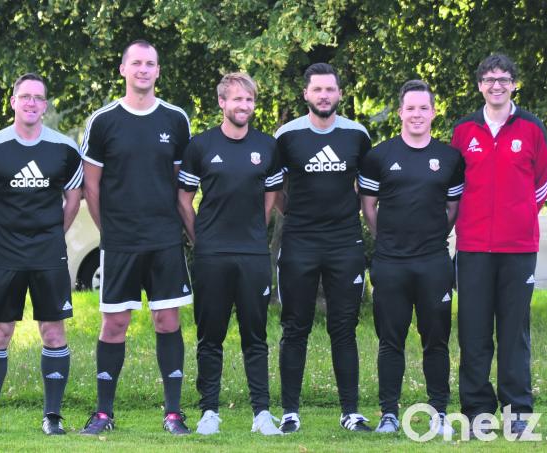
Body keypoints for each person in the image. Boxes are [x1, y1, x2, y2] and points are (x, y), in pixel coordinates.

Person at [80, 39, 193, 435]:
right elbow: (90, 187)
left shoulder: (176, 119)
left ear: (158, 71)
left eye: (150, 64)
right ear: (123, 69)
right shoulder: (104, 120)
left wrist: (187, 230)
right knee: (114, 325)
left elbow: (183, 185)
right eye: (136, 63)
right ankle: (104, 414)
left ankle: (174, 414)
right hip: (121, 241)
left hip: (164, 239)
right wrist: (108, 231)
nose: (143, 70)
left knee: (167, 320)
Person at [0, 73, 83, 436]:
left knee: (52, 331)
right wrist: (0, 237)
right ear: (13, 101)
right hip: (6, 254)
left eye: (38, 98)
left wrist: (50, 236)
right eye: (25, 96)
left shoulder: (64, 149)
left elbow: (74, 200)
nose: (31, 103)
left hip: (49, 254)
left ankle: (52, 416)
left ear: (45, 105)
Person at [451, 54, 547, 435]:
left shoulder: (530, 127)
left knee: (514, 333)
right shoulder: (464, 131)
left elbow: (543, 178)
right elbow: (454, 184)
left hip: (518, 249)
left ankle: (517, 412)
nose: (497, 84)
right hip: (474, 247)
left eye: (504, 79)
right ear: (479, 84)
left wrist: (522, 213)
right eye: (490, 78)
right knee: (473, 333)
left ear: (514, 84)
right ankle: (477, 412)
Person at [178, 73, 284, 436]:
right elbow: (183, 199)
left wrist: (257, 229)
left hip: (253, 254)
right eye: (237, 100)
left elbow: (271, 198)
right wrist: (200, 238)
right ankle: (209, 412)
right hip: (211, 255)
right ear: (222, 103)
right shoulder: (200, 146)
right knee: (211, 337)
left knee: (256, 336)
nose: (244, 106)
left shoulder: (267, 147)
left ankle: (262, 414)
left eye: (249, 100)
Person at [358, 80, 464, 435]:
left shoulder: (450, 158)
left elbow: (452, 208)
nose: (417, 114)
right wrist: (387, 239)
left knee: (436, 340)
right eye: (410, 108)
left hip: (434, 263)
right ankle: (389, 414)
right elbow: (369, 208)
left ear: (434, 112)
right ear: (400, 112)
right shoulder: (379, 156)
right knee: (391, 341)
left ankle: (439, 412)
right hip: (390, 264)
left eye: (424, 108)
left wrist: (430, 236)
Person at [273, 62, 373, 433]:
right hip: (299, 241)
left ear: (340, 94)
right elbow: (276, 190)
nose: (324, 96)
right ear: (306, 94)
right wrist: (298, 215)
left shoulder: (357, 135)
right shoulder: (287, 136)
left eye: (330, 89)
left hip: (345, 243)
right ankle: (290, 413)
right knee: (294, 327)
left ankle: (350, 412)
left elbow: (366, 189)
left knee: (344, 328)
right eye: (317, 90)